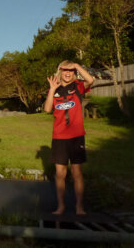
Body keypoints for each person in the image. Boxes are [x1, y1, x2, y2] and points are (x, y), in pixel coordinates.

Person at [44, 60, 95, 215]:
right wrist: (52, 90)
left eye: (70, 71)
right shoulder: (55, 88)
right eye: (64, 70)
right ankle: (61, 206)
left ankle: (79, 207)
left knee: (76, 172)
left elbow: (91, 80)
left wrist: (78, 66)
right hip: (59, 137)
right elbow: (47, 109)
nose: (67, 73)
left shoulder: (78, 86)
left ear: (74, 72)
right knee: (60, 174)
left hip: (76, 136)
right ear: (60, 71)